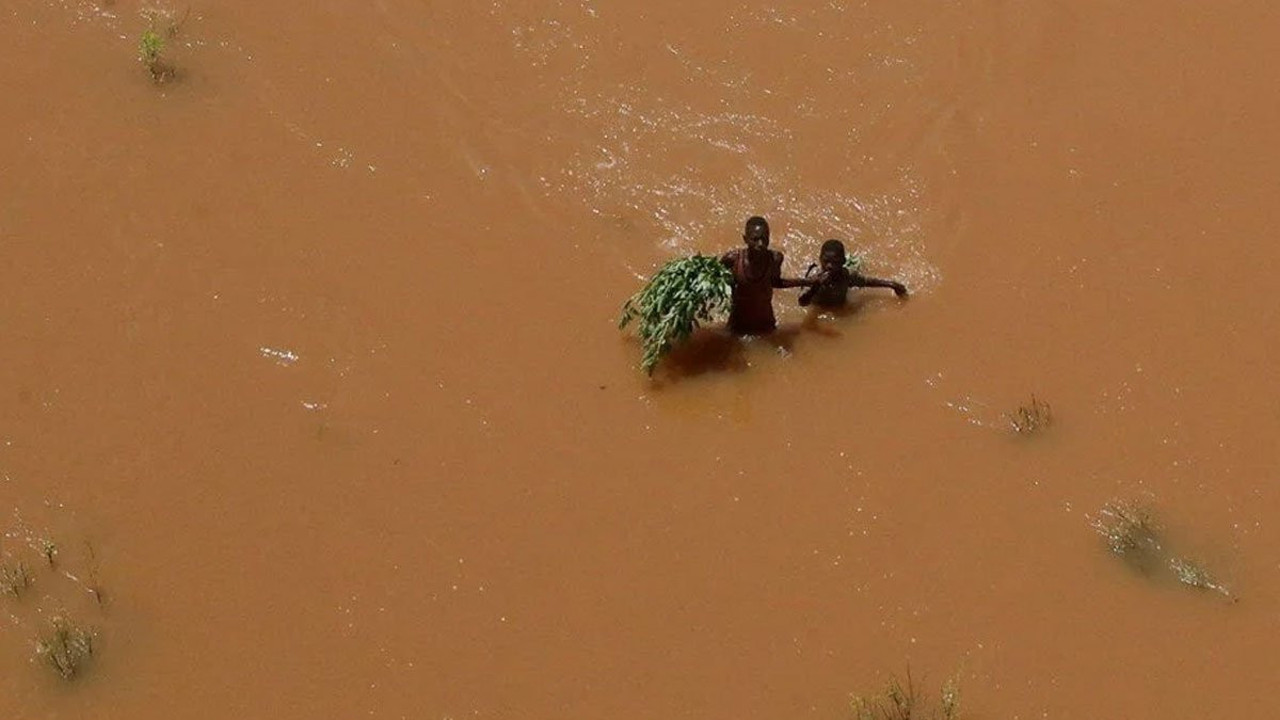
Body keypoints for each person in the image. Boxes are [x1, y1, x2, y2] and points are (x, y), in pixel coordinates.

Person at [719, 216, 815, 335]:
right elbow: (717, 283)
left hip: (765, 323)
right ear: (745, 239)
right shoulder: (732, 260)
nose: (761, 244)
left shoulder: (775, 259)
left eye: (765, 239)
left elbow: (776, 282)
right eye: (755, 239)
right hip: (738, 324)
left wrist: (806, 282)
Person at [798, 239, 908, 308]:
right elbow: (802, 302)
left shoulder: (846, 276)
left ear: (843, 262)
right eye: (826, 261)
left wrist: (891, 284)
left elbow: (867, 282)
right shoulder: (813, 278)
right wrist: (816, 286)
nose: (829, 266)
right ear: (820, 259)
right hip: (819, 308)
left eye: (835, 262)